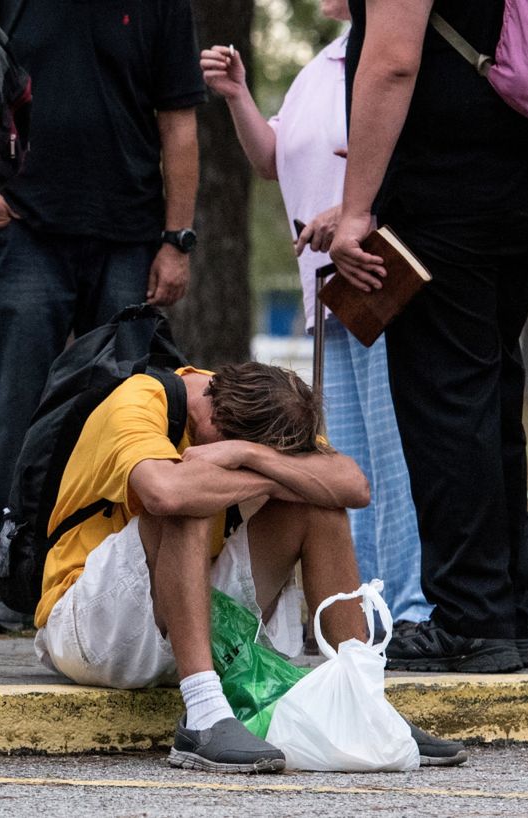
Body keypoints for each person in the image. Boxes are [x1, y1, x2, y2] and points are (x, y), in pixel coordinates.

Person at [32, 361, 468, 772]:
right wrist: (277, 476)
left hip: (192, 623)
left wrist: (249, 457)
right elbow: (165, 493)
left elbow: (353, 485)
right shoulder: (139, 399)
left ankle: (362, 704)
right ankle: (202, 716)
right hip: (89, 629)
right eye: (240, 446)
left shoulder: (257, 411)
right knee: (190, 500)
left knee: (321, 509)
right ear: (216, 424)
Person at [329, 0, 528, 672]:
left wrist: (356, 211)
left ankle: (471, 617)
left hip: (447, 193)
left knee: (446, 403)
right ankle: (508, 607)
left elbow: (392, 63)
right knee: (490, 393)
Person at [0, 0, 204, 633]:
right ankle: (14, 584)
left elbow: (179, 121)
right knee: (16, 415)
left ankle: (129, 578)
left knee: (139, 413)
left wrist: (176, 240)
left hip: (130, 239)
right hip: (24, 234)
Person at [199, 2, 431, 625]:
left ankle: (412, 606)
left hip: (379, 275)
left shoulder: (388, 50)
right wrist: (237, 95)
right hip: (330, 291)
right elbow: (273, 160)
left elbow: (403, 152)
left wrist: (352, 209)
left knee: (393, 453)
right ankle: (370, 606)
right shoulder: (321, 65)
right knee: (348, 455)